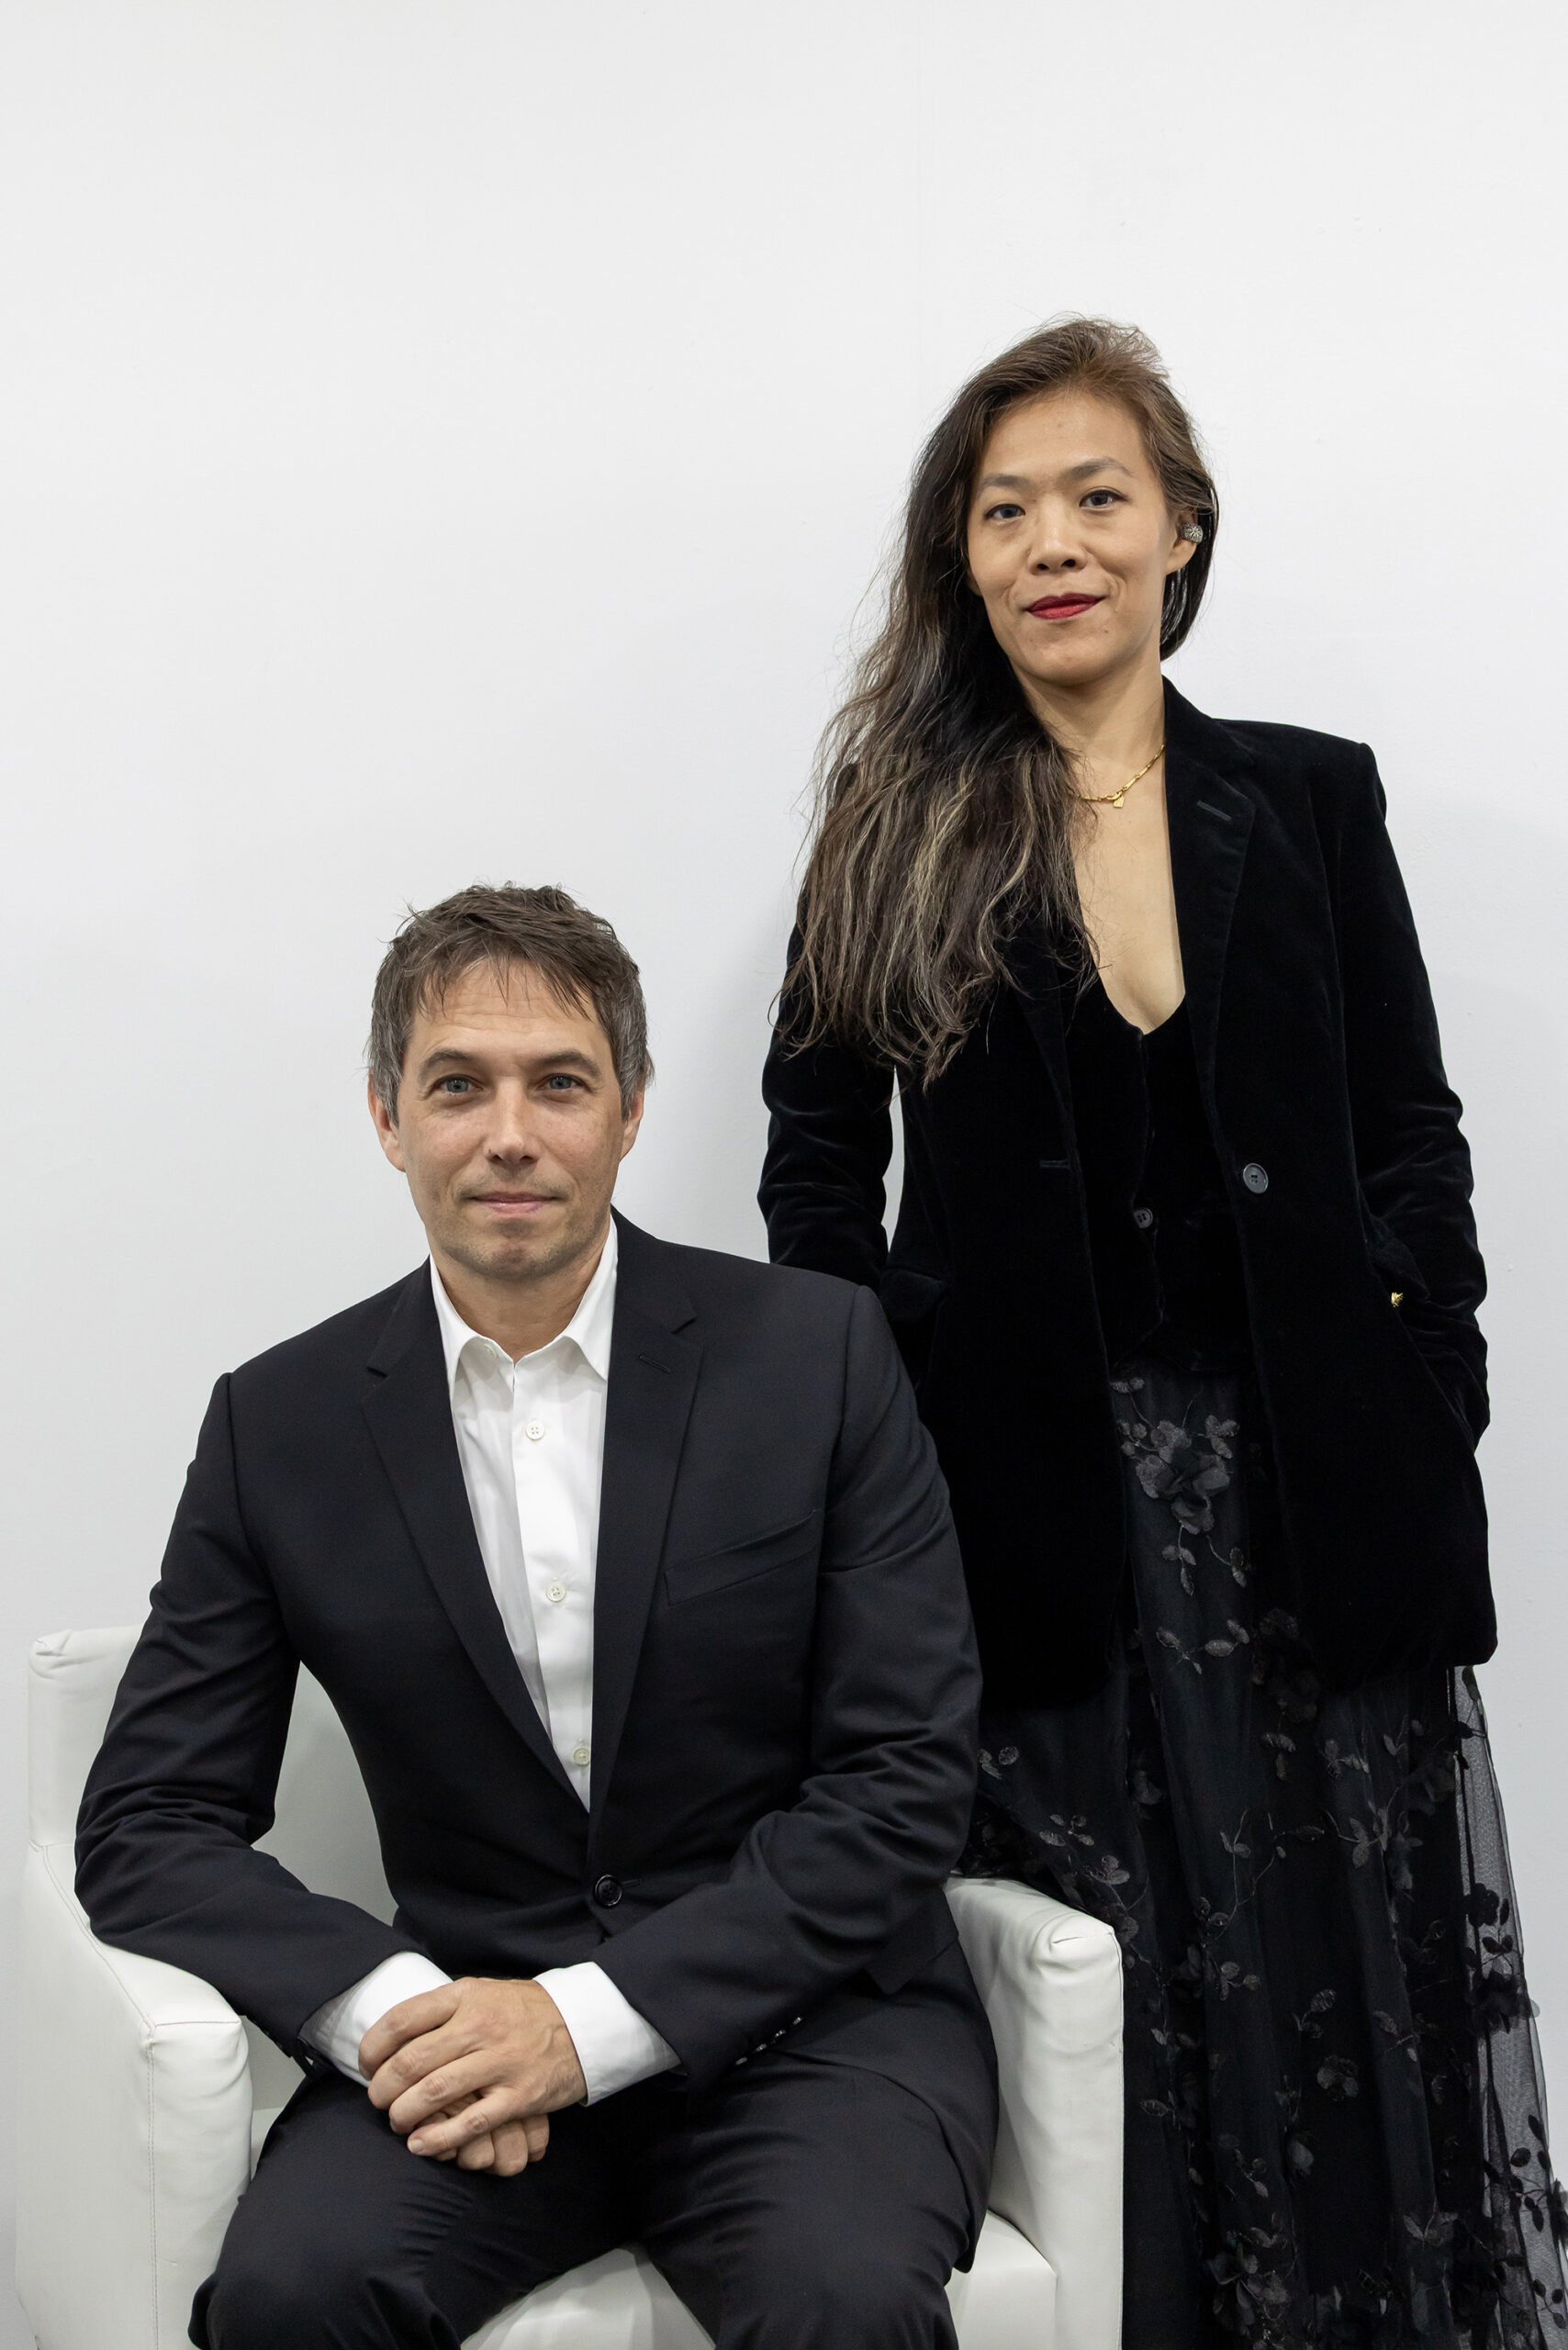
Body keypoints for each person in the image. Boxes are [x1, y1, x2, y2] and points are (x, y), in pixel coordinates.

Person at [759, 319, 1566, 2350]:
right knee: (1106, 1992)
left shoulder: (1305, 798)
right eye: (1004, 510)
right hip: (1031, 1515)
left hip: (1320, 1495)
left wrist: (1432, 1379)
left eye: (1095, 497)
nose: (1054, 543)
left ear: (1180, 527)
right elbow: (815, 1164)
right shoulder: (893, 819)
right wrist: (888, 1431)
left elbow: (1410, 1129)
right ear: (961, 558)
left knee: (1345, 1974)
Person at [77, 882, 996, 2350]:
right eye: (458, 1086)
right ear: (388, 1118)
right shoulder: (278, 1425)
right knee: (292, 2295)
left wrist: (587, 2026)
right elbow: (147, 1825)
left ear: (629, 1111)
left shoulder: (818, 1357)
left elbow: (904, 1780)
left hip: (807, 2031)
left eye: (559, 1083)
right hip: (468, 2032)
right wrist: (389, 2010)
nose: (510, 1133)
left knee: (840, 2301)